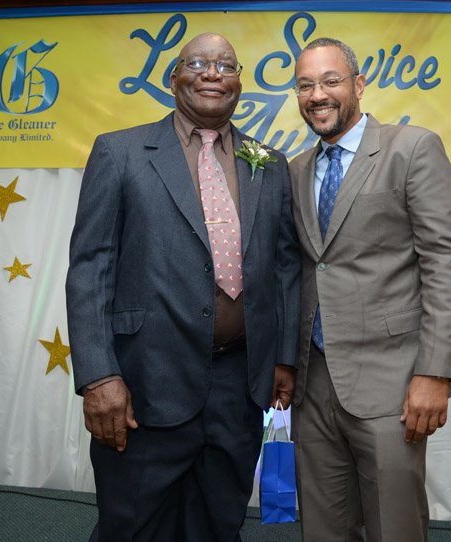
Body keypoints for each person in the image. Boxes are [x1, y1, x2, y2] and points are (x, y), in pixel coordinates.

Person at [65, 32, 300, 541]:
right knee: (132, 527)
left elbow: (284, 269)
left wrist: (283, 357)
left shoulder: (270, 163)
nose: (213, 73)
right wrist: (98, 375)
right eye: (198, 63)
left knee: (218, 525)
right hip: (143, 384)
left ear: (240, 83)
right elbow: (90, 267)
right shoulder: (120, 152)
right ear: (174, 79)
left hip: (239, 386)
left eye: (226, 66)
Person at [288, 37, 451, 542]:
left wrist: (434, 372)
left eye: (330, 81)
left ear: (359, 85)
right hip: (313, 382)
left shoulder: (411, 148)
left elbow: (445, 262)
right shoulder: (297, 169)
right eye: (305, 85)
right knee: (322, 530)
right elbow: (306, 269)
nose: (317, 94)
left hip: (393, 382)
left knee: (395, 528)